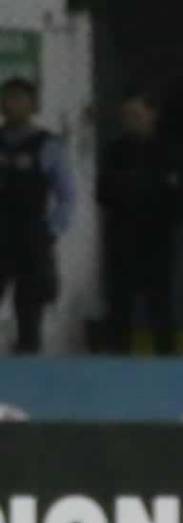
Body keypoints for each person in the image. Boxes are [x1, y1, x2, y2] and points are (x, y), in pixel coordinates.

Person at [96, 90, 183, 355]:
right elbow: (103, 193)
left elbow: (181, 199)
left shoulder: (169, 152)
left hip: (157, 236)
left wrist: (159, 208)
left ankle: (166, 354)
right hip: (122, 233)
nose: (131, 120)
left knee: (159, 300)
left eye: (136, 114)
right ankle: (118, 352)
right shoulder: (116, 151)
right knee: (119, 300)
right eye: (126, 116)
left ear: (151, 114)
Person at [0, 77, 75, 353]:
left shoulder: (47, 145)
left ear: (33, 105)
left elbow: (66, 195)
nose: (11, 104)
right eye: (7, 98)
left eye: (19, 98)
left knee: (29, 307)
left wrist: (51, 230)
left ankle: (27, 358)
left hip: (31, 233)